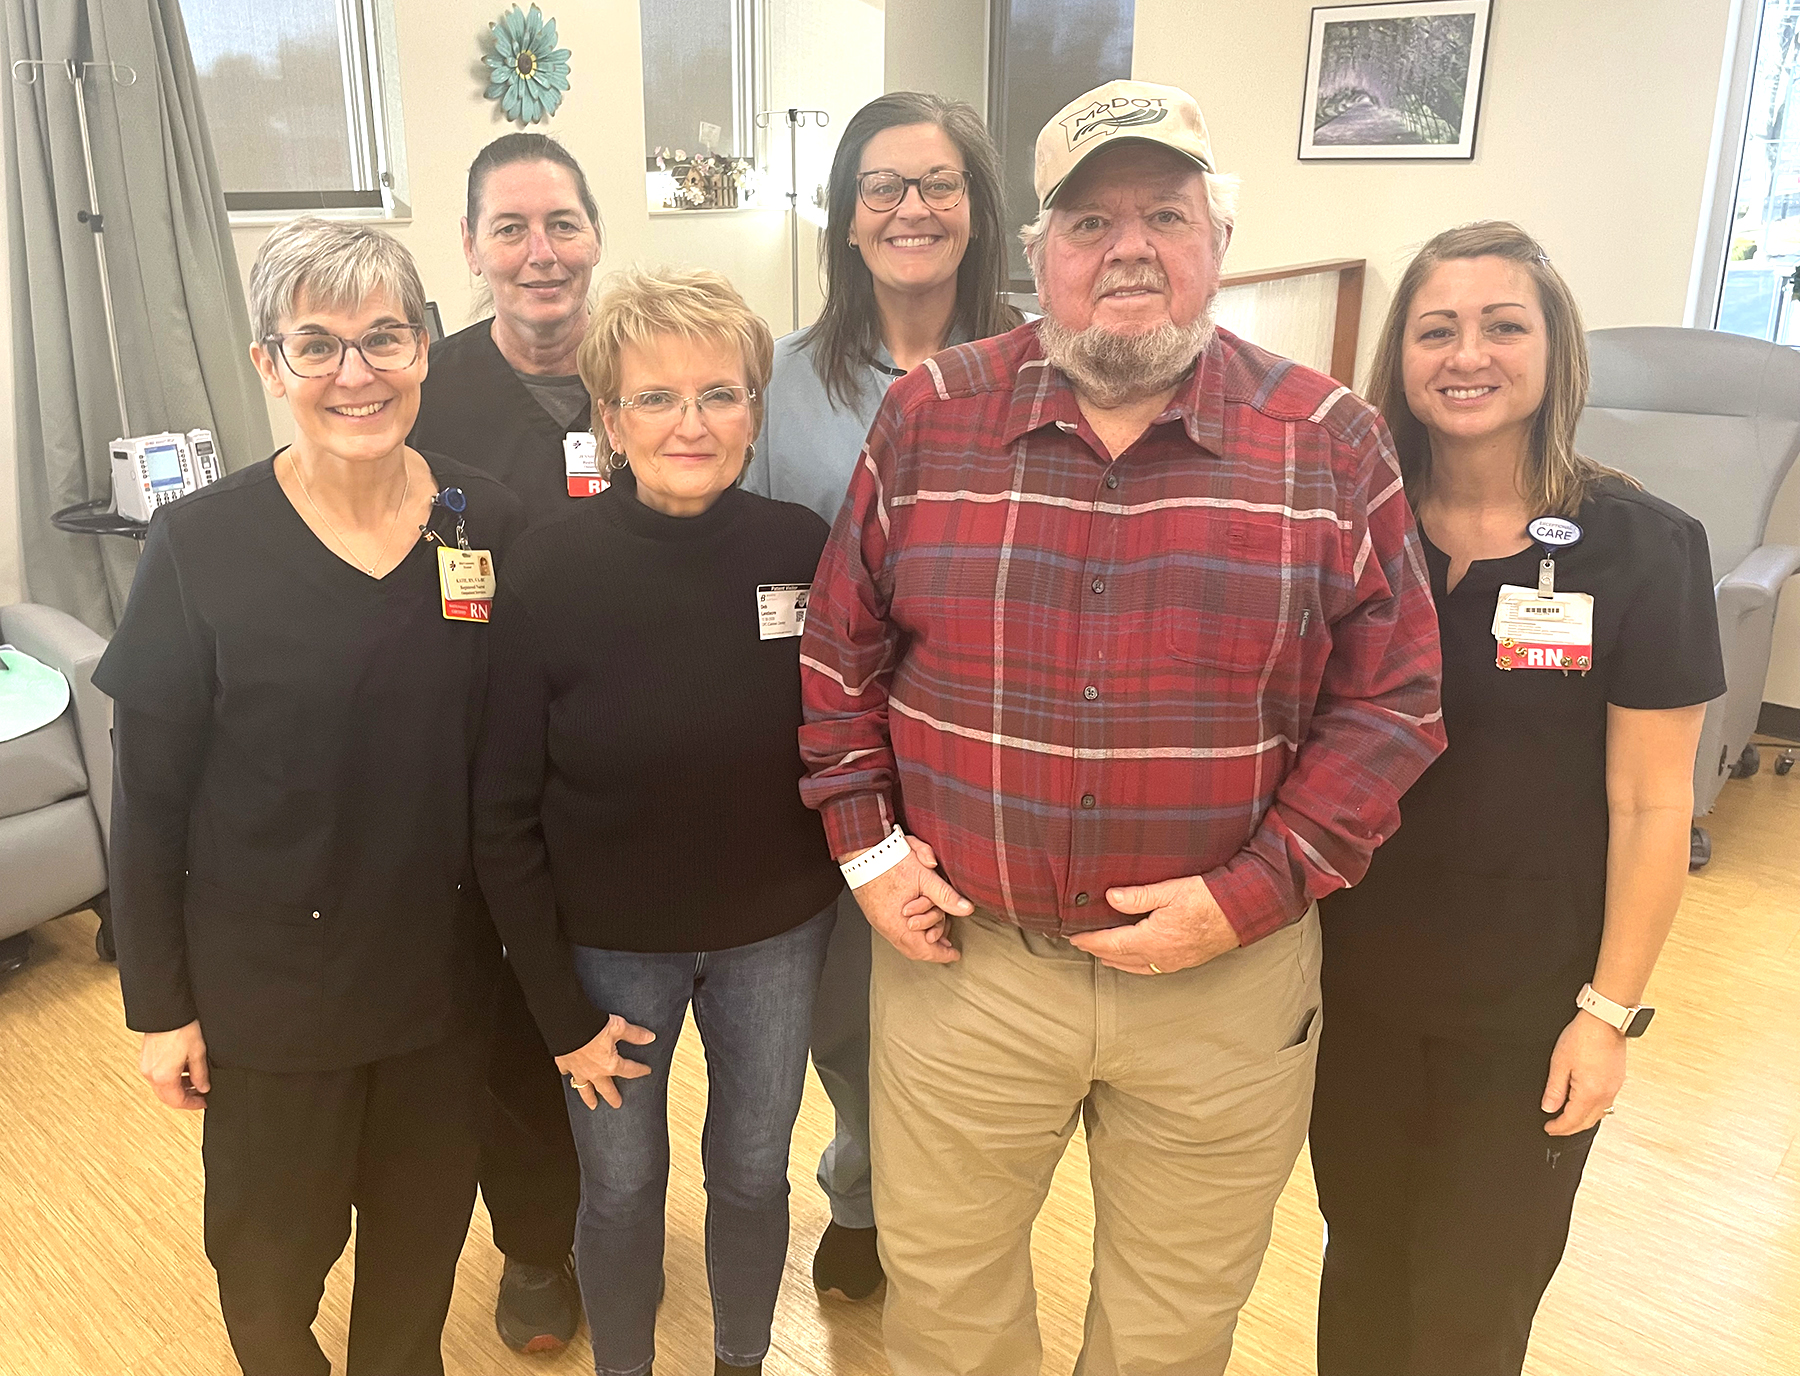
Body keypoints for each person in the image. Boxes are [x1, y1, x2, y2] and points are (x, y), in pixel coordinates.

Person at [797, 79, 1446, 1376]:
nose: (1129, 249)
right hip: (969, 970)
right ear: (1040, 253)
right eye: (1091, 222)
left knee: (1170, 1336)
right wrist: (867, 847)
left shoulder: (1327, 442)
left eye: (1166, 214)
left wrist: (1253, 893)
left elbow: (1393, 700)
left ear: (1219, 239)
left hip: (1225, 984)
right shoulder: (930, 418)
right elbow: (838, 652)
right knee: (948, 1322)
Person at [95, 217, 524, 1376]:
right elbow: (150, 802)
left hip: (440, 983)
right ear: (268, 364)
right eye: (316, 344)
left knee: (418, 1256)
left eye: (383, 337)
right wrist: (160, 1006)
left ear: (424, 345)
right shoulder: (199, 544)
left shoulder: (485, 521)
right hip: (270, 995)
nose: (355, 373)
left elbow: (523, 756)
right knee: (269, 1266)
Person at [1309, 221, 1723, 1376]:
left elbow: (1654, 806)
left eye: (1503, 326)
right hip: (1355, 986)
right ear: (1401, 354)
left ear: (1555, 349)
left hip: (1531, 1006)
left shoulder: (1642, 548)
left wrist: (1609, 1013)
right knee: (1360, 1262)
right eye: (1436, 329)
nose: (1467, 354)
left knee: (1471, 1307)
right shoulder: (1351, 527)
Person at [473, 266, 843, 1376]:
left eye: (720, 394)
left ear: (754, 412)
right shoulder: (547, 569)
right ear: (611, 418)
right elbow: (501, 815)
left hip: (776, 935)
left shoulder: (800, 548)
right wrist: (556, 1010)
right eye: (656, 398)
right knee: (622, 1185)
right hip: (607, 953)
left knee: (753, 1174)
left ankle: (741, 1360)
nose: (692, 423)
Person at [743, 89, 1021, 1301]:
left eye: (939, 183)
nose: (913, 208)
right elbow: (752, 577)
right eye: (883, 187)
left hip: (992, 758)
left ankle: (963, 1221)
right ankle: (861, 1189)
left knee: (984, 1012)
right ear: (846, 218)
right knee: (850, 1012)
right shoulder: (781, 383)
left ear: (980, 210)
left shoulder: (1046, 366)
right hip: (840, 758)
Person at [409, 132, 605, 1353]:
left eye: (562, 222)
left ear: (596, 236)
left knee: (627, 1000)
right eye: (512, 227)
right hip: (483, 757)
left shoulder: (647, 368)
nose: (541, 252)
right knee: (510, 1012)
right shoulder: (426, 393)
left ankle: (624, 1206)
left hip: (626, 754)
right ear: (473, 249)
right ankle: (536, 1239)